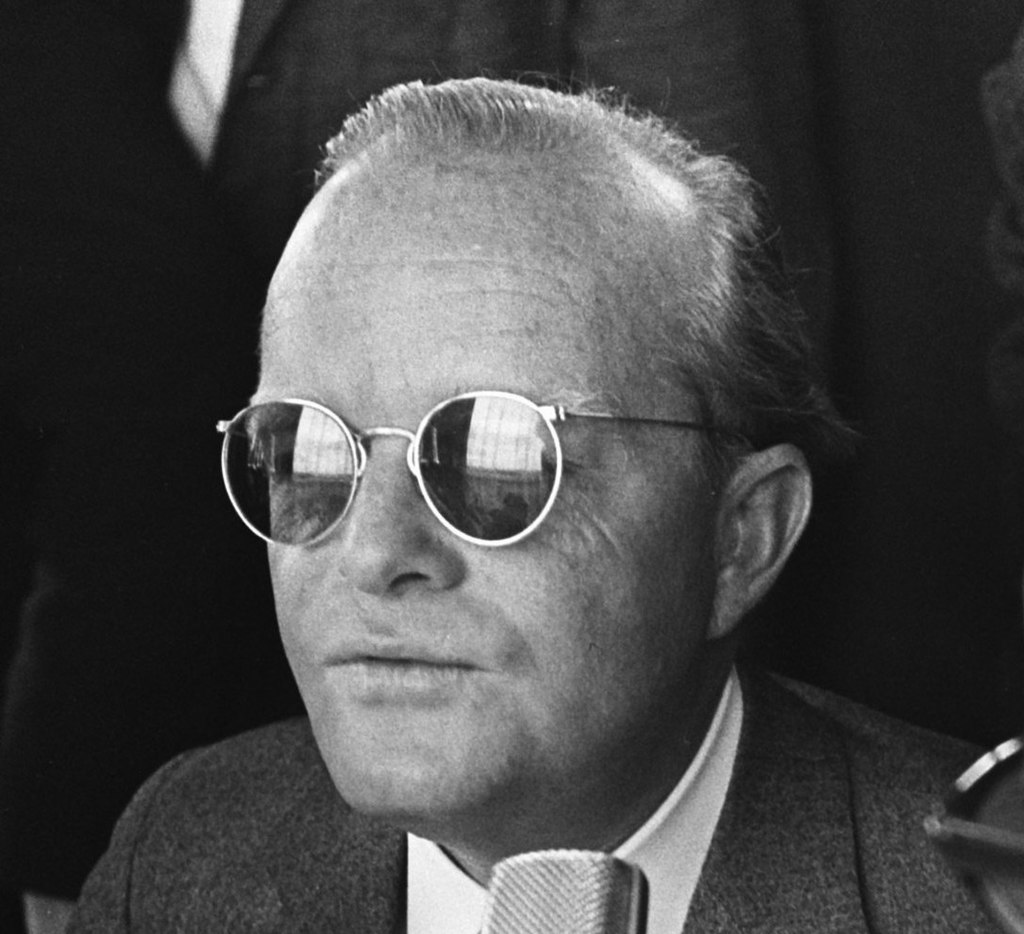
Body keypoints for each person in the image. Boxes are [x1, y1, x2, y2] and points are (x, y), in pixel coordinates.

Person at [65, 77, 997, 932]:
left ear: (740, 539)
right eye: (308, 453)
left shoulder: (982, 899)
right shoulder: (179, 856)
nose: (374, 552)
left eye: (492, 458)